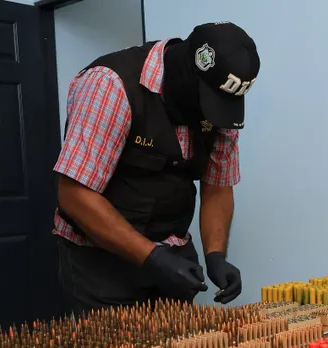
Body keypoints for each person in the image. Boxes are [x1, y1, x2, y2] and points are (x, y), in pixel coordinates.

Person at [52, 22, 259, 313]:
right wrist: (151, 257)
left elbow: (218, 186)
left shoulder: (219, 105)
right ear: (186, 72)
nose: (211, 114)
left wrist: (215, 256)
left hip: (172, 255)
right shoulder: (110, 85)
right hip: (101, 263)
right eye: (208, 102)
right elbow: (75, 195)